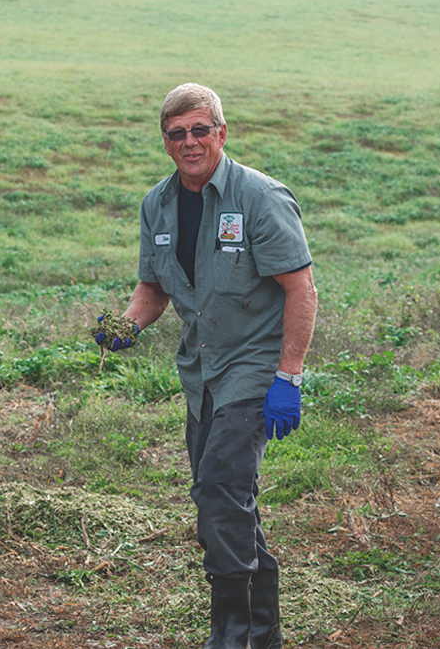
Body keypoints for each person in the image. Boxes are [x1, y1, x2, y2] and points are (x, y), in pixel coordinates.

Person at [95, 83, 317, 649]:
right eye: (177, 133)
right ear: (165, 142)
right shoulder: (158, 204)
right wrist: (127, 326)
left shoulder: (261, 197)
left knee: (218, 489)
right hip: (201, 374)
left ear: (221, 132)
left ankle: (231, 633)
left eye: (200, 129)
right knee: (227, 498)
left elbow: (301, 288)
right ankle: (264, 632)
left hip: (254, 369)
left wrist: (288, 376)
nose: (190, 141)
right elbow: (153, 287)